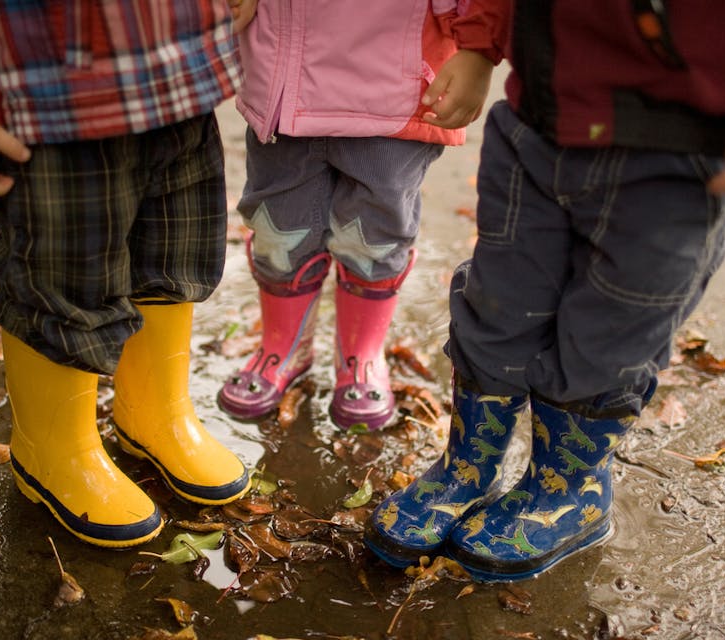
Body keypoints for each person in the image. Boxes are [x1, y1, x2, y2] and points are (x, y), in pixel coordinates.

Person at [366, 0, 725, 581]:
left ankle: (567, 492)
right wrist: (481, 42)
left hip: (680, 143)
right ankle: (468, 468)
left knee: (611, 333)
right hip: (538, 118)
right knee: (496, 303)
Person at [0, 0, 252, 548]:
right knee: (63, 279)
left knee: (173, 255)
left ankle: (155, 414)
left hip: (182, 80)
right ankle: (52, 449)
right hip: (50, 101)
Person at [217, 0, 510, 431]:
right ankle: (284, 346)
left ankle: (360, 356)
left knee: (374, 237)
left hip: (393, 88)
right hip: (282, 81)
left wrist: (478, 48)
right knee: (278, 229)